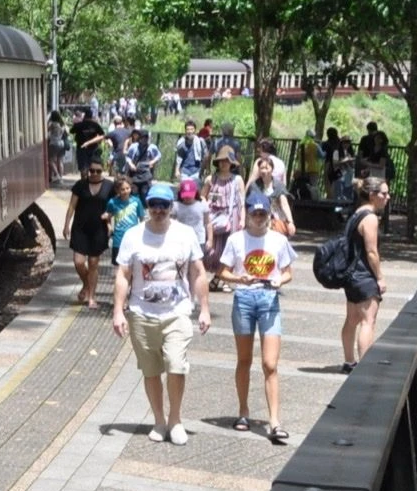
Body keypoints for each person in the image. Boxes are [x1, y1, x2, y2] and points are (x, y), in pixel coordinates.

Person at [111, 182, 212, 444]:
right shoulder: (133, 235)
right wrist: (118, 312)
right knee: (151, 370)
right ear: (147, 207)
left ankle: (175, 419)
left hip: (177, 312)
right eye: (154, 205)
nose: (158, 210)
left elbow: (198, 272)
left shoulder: (186, 234)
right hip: (142, 314)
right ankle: (159, 420)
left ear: (171, 207)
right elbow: (122, 275)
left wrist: (204, 309)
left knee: (176, 365)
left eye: (163, 205)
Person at [221, 191, 295, 444]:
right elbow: (222, 271)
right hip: (243, 298)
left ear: (268, 214)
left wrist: (278, 280)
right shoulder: (236, 240)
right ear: (248, 213)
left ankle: (274, 421)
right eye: (255, 213)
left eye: (263, 213)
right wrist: (238, 278)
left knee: (270, 364)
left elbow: (288, 273)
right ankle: (243, 411)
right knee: (244, 359)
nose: (259, 217)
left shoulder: (278, 240)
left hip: (269, 299)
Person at [338, 175, 389, 369]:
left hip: (351, 275)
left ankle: (349, 361)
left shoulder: (356, 213)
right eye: (384, 193)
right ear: (372, 195)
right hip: (364, 276)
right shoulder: (370, 218)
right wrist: (380, 277)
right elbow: (371, 252)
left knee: (352, 319)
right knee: (368, 321)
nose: (388, 197)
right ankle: (365, 366)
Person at [67, 157, 114, 309]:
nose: (94, 174)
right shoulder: (80, 185)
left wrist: (109, 221)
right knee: (79, 262)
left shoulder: (109, 186)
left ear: (103, 171)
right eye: (91, 170)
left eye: (98, 171)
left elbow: (113, 207)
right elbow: (72, 206)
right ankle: (86, 285)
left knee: (93, 264)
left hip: (98, 230)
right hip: (80, 229)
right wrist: (66, 224)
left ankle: (91, 298)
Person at [204, 150, 244, 291]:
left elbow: (242, 201)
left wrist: (242, 219)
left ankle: (224, 279)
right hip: (214, 216)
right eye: (221, 161)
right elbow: (203, 196)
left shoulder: (237, 180)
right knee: (214, 249)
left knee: (229, 248)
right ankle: (217, 275)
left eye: (227, 161)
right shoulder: (211, 179)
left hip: (232, 215)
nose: (224, 163)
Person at [249, 153, 296, 236]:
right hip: (260, 220)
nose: (263, 171)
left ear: (272, 169)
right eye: (261, 168)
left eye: (266, 168)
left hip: (276, 221)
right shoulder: (254, 186)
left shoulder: (279, 186)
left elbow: (284, 204)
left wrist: (290, 222)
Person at [107, 175, 145, 262]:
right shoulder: (112, 202)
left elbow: (142, 217)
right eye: (122, 189)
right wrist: (109, 226)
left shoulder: (136, 201)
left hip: (133, 238)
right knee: (117, 264)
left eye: (127, 188)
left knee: (132, 263)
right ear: (117, 190)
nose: (125, 191)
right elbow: (108, 216)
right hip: (118, 239)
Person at [70, 108, 108, 173]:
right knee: (92, 166)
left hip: (81, 147)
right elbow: (102, 134)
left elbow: (71, 131)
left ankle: (83, 181)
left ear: (84, 116)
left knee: (83, 167)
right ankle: (90, 180)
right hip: (93, 148)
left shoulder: (79, 125)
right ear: (91, 116)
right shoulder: (95, 125)